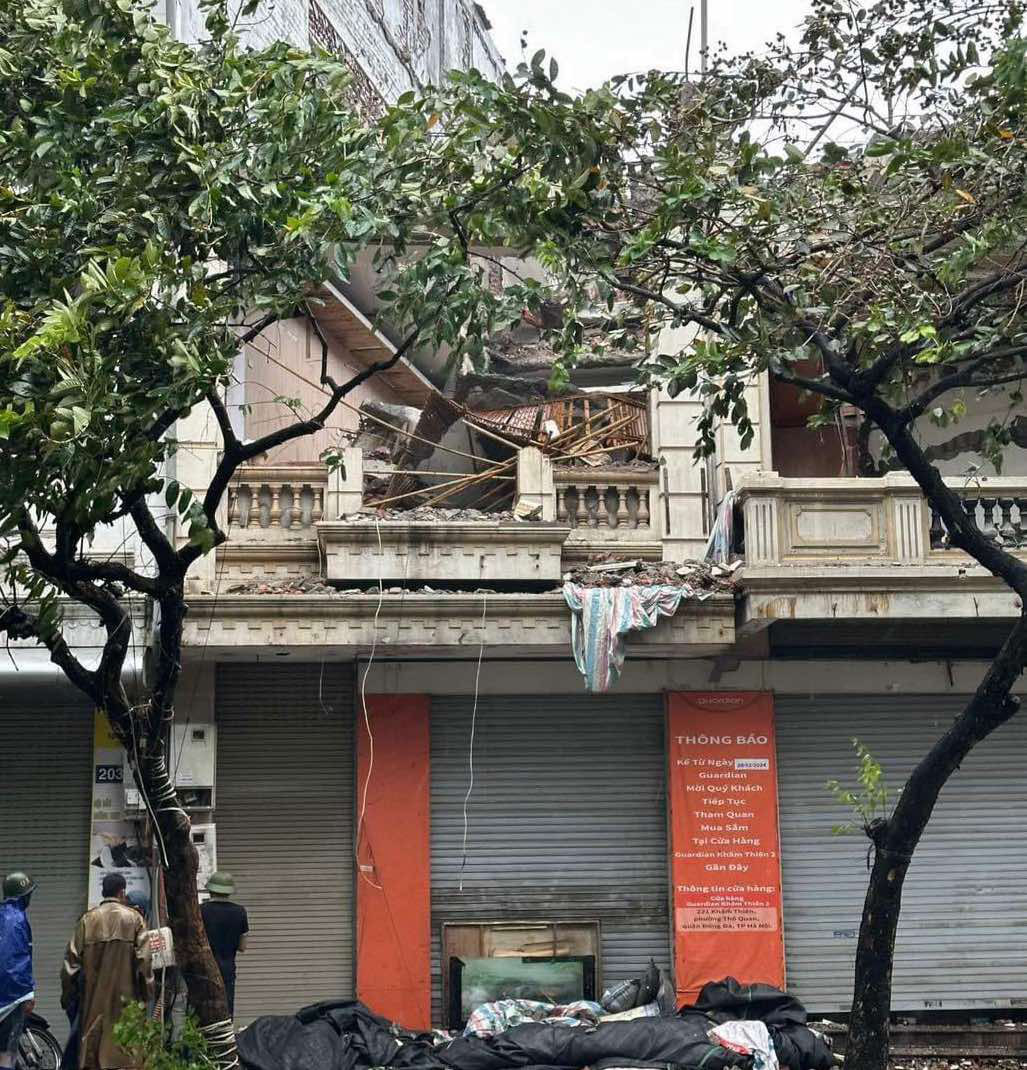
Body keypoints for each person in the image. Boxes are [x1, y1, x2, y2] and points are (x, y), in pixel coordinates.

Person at [61, 873, 153, 1070]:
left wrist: (68, 998)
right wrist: (147, 995)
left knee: (92, 1056)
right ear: (122, 892)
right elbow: (144, 962)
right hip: (128, 1005)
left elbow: (70, 964)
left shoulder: (87, 920)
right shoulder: (135, 919)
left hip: (93, 1003)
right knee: (126, 1056)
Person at [0, 873, 36, 1070]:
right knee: (7, 1052)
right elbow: (15, 962)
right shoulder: (17, 920)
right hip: (10, 998)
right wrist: (27, 993)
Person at [200, 872, 248, 1018]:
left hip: (203, 970)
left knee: (203, 1011)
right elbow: (242, 946)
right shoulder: (240, 912)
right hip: (227, 970)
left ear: (211, 889)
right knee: (226, 1012)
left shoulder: (200, 910)